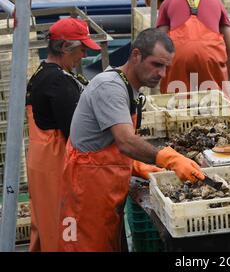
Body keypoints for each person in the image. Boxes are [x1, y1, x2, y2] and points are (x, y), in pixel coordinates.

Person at [58, 28, 205, 252]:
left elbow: (108, 143)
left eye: (166, 67)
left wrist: (137, 165)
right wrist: (169, 158)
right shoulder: (110, 86)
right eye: (156, 64)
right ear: (136, 55)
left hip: (105, 191)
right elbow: (125, 141)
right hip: (86, 194)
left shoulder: (129, 87)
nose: (162, 74)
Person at [25, 17, 100, 251]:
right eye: (82, 48)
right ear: (65, 47)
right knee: (65, 227)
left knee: (45, 223)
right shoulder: (60, 82)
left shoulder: (38, 75)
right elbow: (77, 134)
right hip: (57, 165)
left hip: (39, 164)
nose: (84, 55)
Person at [156, 0, 230, 94]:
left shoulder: (169, 0)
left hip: (178, 55)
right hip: (211, 55)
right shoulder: (216, 2)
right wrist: (224, 81)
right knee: (216, 105)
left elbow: (158, 45)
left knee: (174, 105)